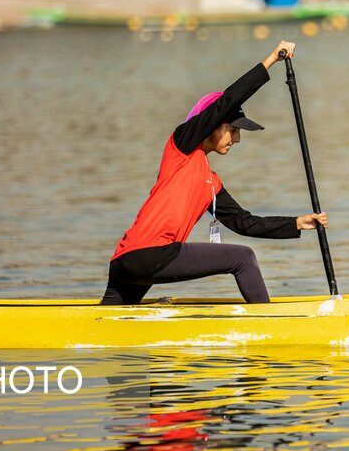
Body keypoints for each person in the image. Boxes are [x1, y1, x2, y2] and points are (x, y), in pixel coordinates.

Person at [100, 41, 328, 305]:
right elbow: (229, 100)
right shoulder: (182, 146)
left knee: (102, 323)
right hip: (150, 254)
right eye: (233, 130)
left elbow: (245, 222)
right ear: (213, 125)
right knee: (243, 258)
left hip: (125, 260)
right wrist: (271, 60)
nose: (237, 139)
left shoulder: (211, 184)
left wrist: (296, 223)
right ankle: (269, 322)